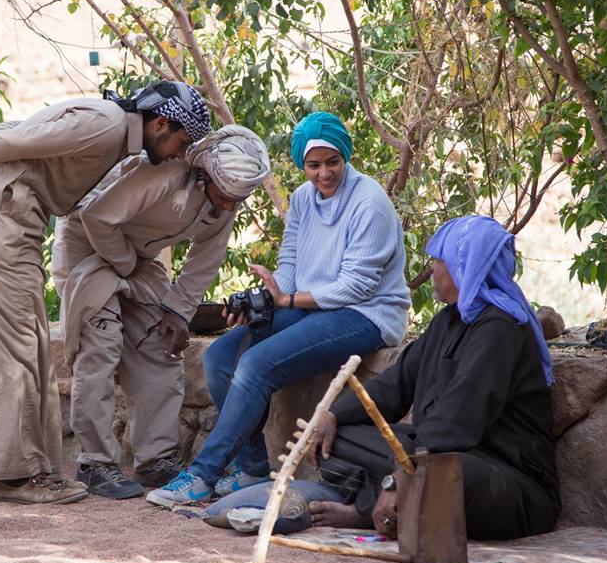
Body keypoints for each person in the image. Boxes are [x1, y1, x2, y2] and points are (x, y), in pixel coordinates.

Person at [0, 81, 210, 505]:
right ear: (160, 123)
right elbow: (23, 138)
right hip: (2, 213)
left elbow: (30, 130)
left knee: (28, 341)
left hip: (12, 216)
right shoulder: (108, 124)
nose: (181, 155)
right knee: (14, 344)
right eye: (181, 142)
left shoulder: (113, 133)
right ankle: (16, 478)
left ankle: (28, 471)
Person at [202, 215, 560, 541]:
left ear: (467, 268)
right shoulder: (449, 320)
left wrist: (397, 477)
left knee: (443, 473)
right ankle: (384, 503)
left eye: (440, 262)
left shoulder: (501, 328)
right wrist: (333, 416)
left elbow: (458, 423)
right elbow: (394, 387)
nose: (433, 270)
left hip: (506, 481)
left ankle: (370, 506)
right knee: (331, 440)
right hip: (437, 456)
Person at [146, 111, 411, 508]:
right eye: (314, 165)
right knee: (221, 356)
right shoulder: (304, 199)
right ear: (302, 165)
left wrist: (286, 301)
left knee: (256, 364)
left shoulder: (369, 203)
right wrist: (264, 299)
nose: (324, 174)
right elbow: (289, 268)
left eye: (332, 162)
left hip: (366, 314)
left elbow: (356, 286)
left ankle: (203, 475)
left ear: (346, 156)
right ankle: (252, 467)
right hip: (314, 306)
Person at [52, 125, 270, 499]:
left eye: (241, 198)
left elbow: (203, 263)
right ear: (207, 173)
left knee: (160, 345)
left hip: (135, 257)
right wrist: (124, 265)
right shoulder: (165, 172)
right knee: (101, 343)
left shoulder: (225, 201)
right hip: (88, 247)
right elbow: (97, 218)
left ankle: (155, 459)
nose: (233, 205)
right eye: (229, 194)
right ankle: (96, 463)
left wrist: (177, 313)